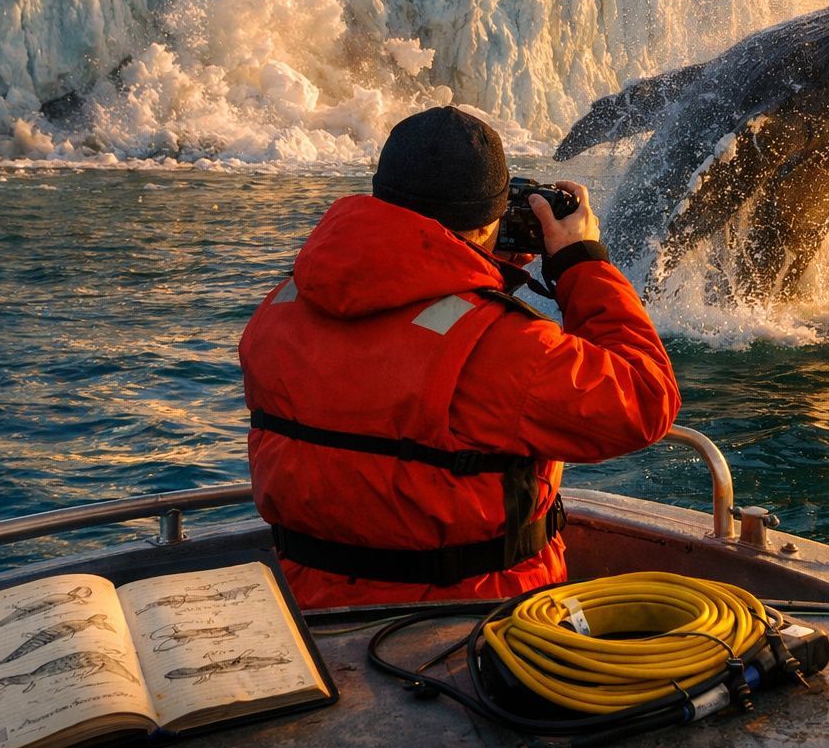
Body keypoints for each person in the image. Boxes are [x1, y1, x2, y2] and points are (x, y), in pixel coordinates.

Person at [238, 107, 682, 608]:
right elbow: (646, 399)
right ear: (492, 219)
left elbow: (395, 327)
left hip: (305, 609)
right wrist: (581, 262)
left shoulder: (280, 307)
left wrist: (480, 271)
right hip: (472, 620)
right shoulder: (501, 346)